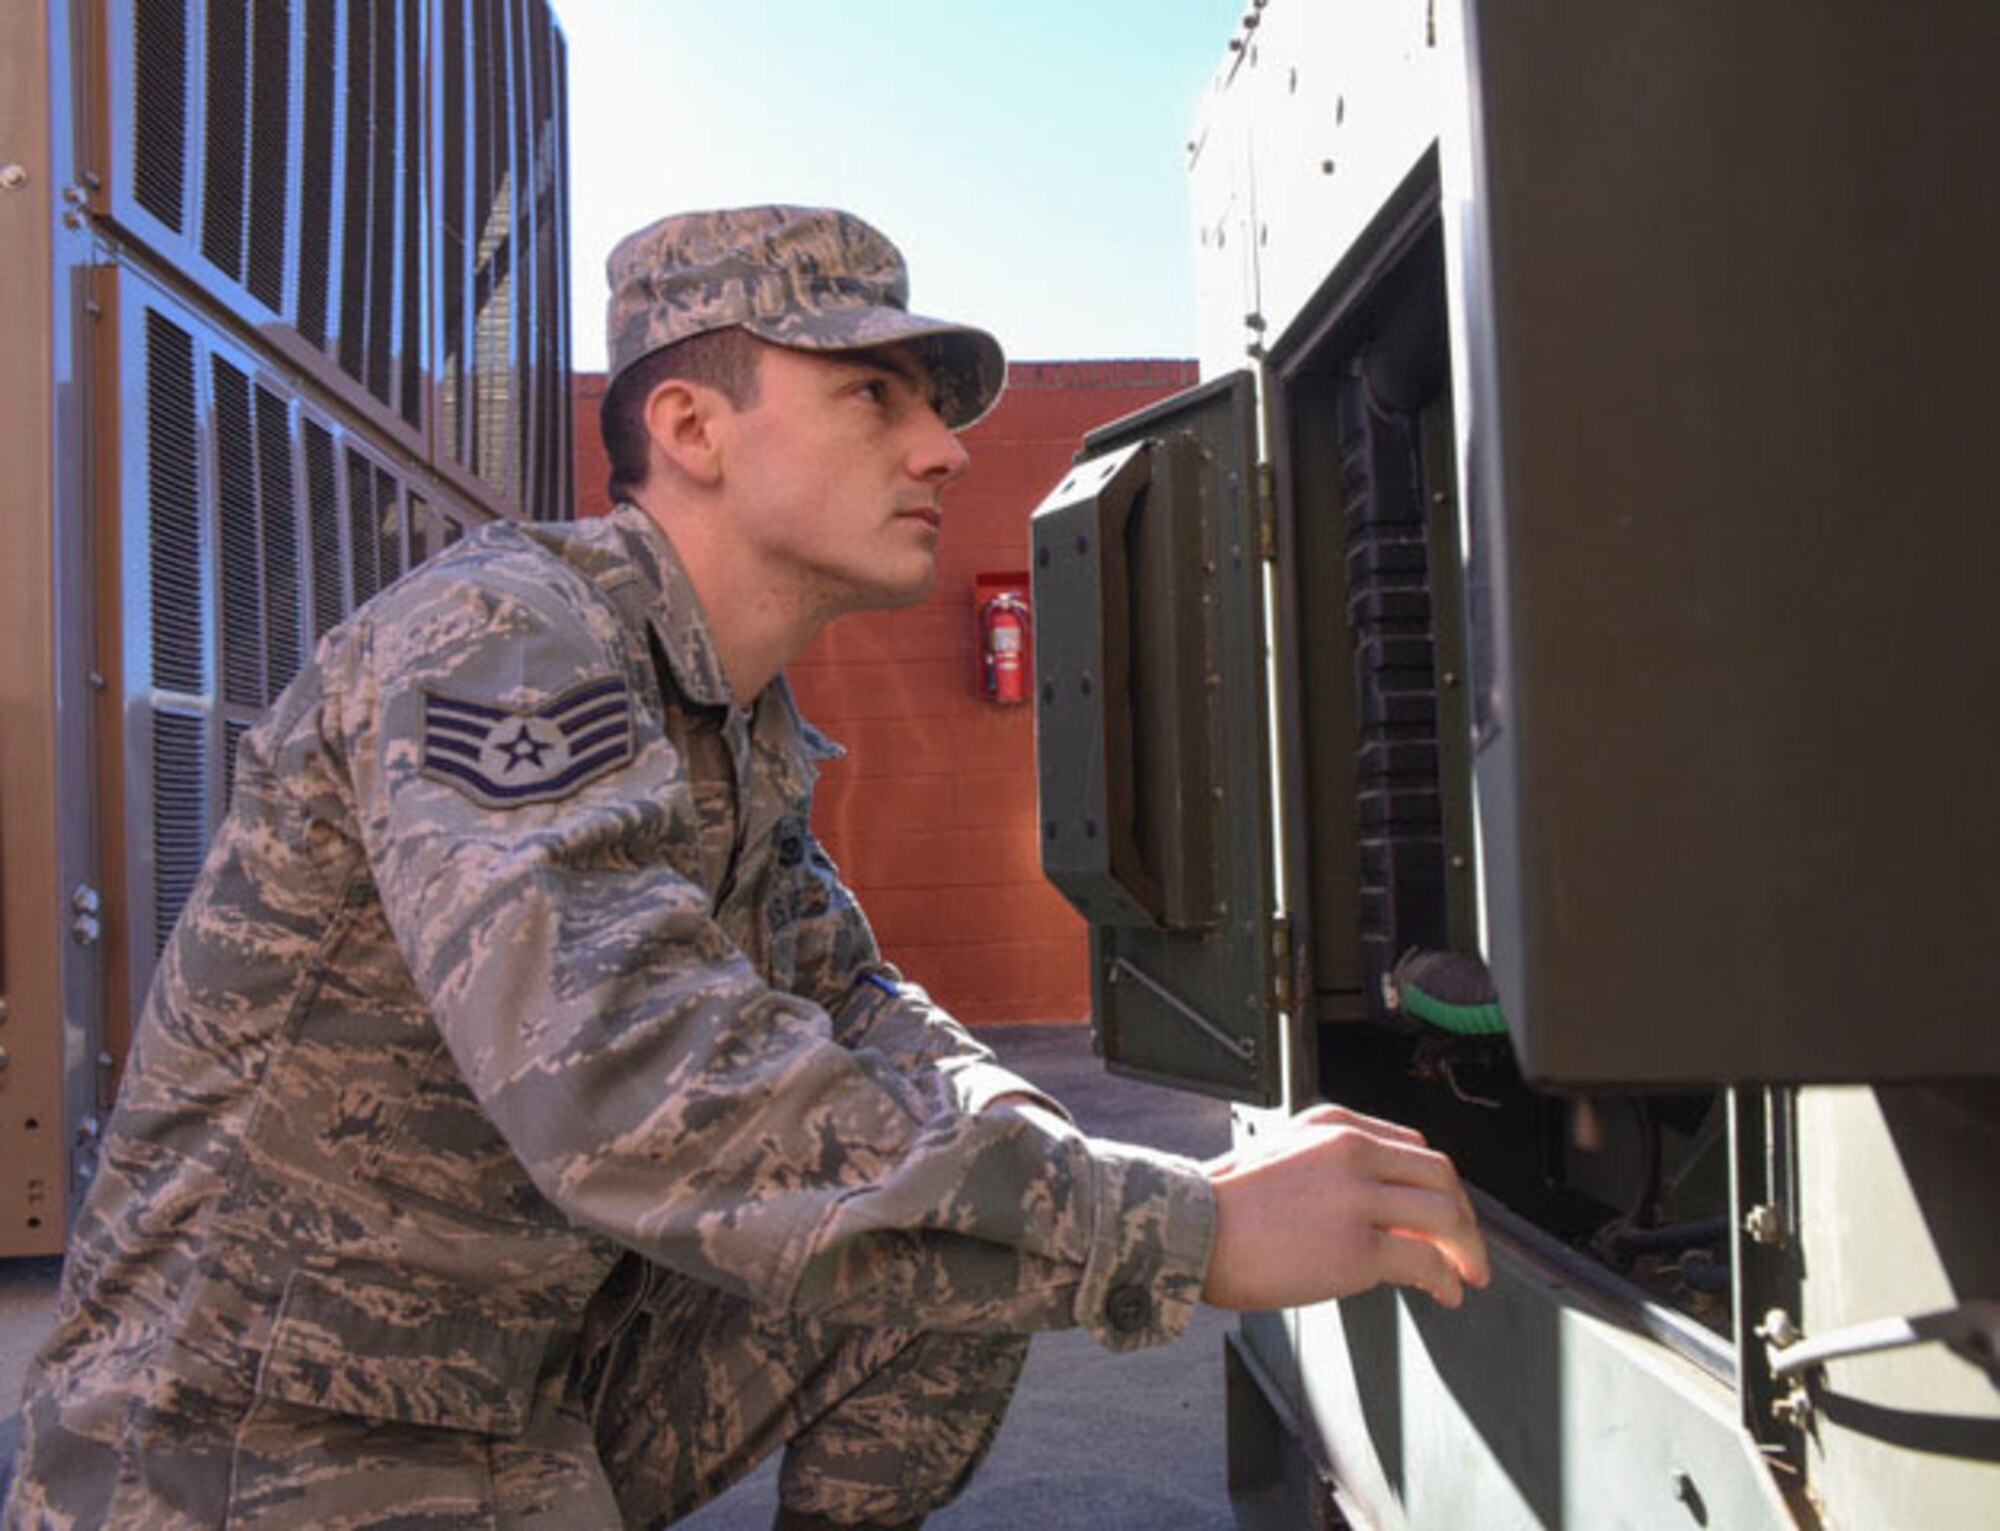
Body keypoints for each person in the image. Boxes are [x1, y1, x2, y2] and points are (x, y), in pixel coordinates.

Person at [1, 205, 1487, 1531]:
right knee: (998, 1224)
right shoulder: (503, 642)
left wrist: (1050, 1146)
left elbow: (863, 1004)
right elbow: (638, 1085)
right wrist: (1194, 1229)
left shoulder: (731, 718)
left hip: (516, 1389)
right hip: (253, 1447)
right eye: (872, 396)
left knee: (965, 1260)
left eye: (937, 410)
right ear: (696, 430)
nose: (944, 449)